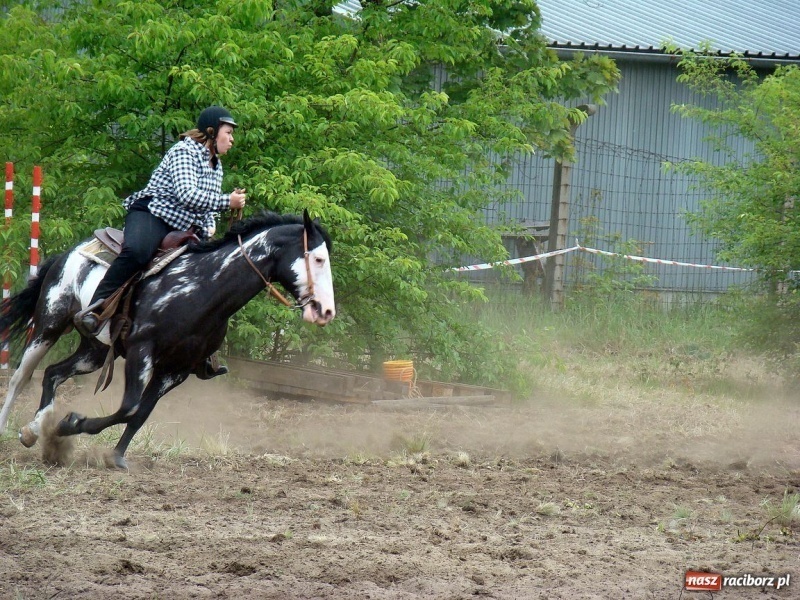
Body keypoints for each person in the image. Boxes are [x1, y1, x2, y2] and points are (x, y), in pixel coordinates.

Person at [74, 106, 246, 379]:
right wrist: (229, 201)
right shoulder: (184, 151)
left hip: (185, 226)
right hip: (153, 214)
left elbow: (206, 211)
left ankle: (203, 349)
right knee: (138, 252)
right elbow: (187, 195)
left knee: (211, 274)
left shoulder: (217, 165)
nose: (232, 139)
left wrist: (211, 231)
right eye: (229, 132)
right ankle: (95, 310)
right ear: (212, 132)